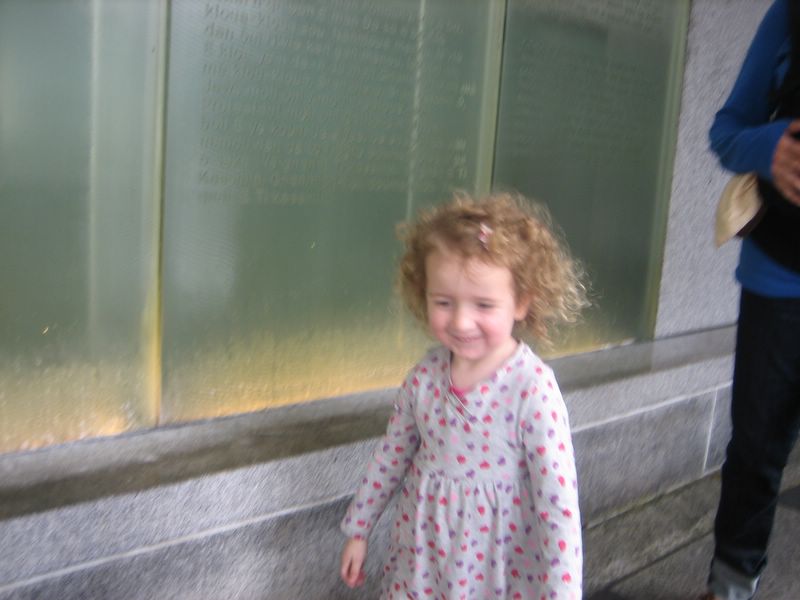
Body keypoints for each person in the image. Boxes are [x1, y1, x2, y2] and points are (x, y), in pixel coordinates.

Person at [338, 192, 587, 599]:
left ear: (522, 301)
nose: (461, 321)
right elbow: (391, 455)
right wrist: (359, 529)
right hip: (424, 556)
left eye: (483, 305)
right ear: (423, 293)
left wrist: (564, 591)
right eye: (443, 302)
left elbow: (557, 505)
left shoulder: (532, 390)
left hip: (495, 567)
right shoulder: (425, 378)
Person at [705, 1, 800, 598]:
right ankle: (731, 584)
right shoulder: (789, 15)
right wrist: (771, 147)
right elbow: (725, 133)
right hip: (779, 280)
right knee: (757, 449)